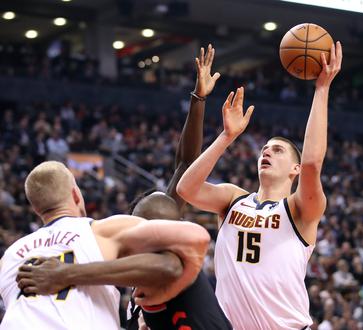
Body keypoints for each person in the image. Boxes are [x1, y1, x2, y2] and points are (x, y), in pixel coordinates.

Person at [16, 45, 232, 330]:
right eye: (147, 227)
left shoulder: (176, 262)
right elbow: (183, 166)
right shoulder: (135, 272)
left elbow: (185, 166)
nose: (156, 234)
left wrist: (67, 273)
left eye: (163, 226)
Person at [176, 41, 342, 329]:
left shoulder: (300, 210)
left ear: (295, 169)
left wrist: (322, 89)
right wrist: (226, 137)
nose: (266, 151)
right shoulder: (233, 199)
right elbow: (185, 189)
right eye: (264, 148)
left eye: (277, 150)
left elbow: (313, 164)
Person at [0, 161, 209, 329]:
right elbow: (171, 265)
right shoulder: (103, 229)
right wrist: (68, 273)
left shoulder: (8, 257)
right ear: (76, 194)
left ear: (36, 209)